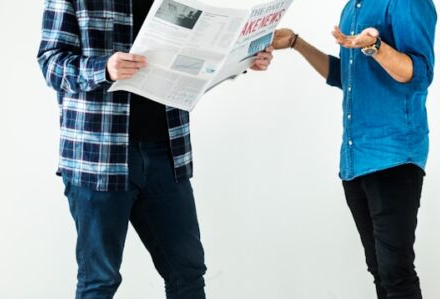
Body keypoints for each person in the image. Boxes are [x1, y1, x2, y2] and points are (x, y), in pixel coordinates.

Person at [37, 0, 273, 298]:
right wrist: (105, 68)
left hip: (167, 154)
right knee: (100, 280)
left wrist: (242, 61)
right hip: (98, 159)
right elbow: (50, 63)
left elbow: (194, 66)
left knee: (187, 272)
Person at [272, 0, 437, 298]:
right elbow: (344, 78)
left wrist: (376, 47)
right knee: (379, 270)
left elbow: (419, 74)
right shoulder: (352, 8)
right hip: (354, 159)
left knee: (395, 272)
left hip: (393, 156)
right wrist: (296, 43)